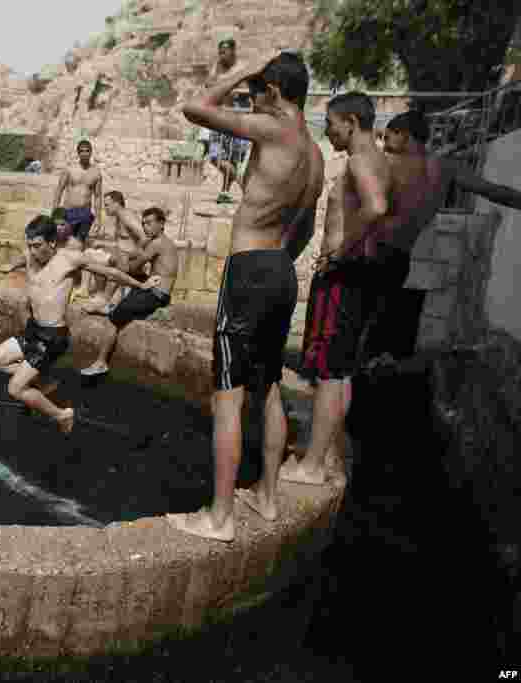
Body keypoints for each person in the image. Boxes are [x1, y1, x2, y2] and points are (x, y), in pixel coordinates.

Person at [172, 51, 324, 541]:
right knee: (270, 387)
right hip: (282, 271)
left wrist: (242, 71)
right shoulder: (315, 153)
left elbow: (195, 108)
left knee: (228, 397)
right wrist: (275, 258)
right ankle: (268, 496)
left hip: (250, 273)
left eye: (256, 92)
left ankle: (219, 518)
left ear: (274, 93)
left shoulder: (274, 128)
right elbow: (304, 228)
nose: (251, 100)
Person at [280, 92, 392, 487]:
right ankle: (328, 456)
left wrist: (340, 250)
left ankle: (312, 466)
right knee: (341, 369)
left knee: (328, 369)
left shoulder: (361, 161)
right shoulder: (380, 159)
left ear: (351, 122)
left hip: (343, 276)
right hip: (359, 274)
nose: (326, 131)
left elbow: (375, 207)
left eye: (330, 123)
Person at [362, 110, 521, 363]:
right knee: (398, 343)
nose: (385, 144)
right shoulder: (446, 167)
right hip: (406, 258)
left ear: (404, 136)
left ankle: (352, 388)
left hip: (375, 253)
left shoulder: (389, 164)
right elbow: (493, 191)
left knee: (367, 335)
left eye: (388, 137)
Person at [0, 215, 162, 434]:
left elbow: (111, 272)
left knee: (15, 389)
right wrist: (11, 266)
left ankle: (62, 415)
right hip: (33, 330)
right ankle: (44, 382)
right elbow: (23, 258)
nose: (32, 251)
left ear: (52, 242)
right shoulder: (30, 255)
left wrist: (141, 284)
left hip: (52, 337)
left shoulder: (69, 259)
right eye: (29, 245)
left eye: (37, 246)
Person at [80, 207, 179, 375]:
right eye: (143, 224)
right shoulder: (163, 242)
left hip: (156, 295)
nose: (145, 227)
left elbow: (133, 266)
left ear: (161, 224)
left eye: (149, 223)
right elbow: (136, 258)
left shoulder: (157, 244)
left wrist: (119, 261)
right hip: (157, 290)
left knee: (113, 320)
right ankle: (108, 302)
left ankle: (101, 362)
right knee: (122, 270)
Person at [81, 190, 149, 312]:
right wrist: (102, 243)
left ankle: (102, 298)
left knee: (94, 259)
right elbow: (123, 242)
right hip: (120, 255)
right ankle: (98, 294)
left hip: (128, 261)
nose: (105, 208)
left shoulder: (126, 216)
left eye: (107, 205)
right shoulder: (119, 217)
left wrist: (131, 256)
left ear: (116, 203)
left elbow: (144, 237)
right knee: (90, 254)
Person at [204, 39, 253, 204]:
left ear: (233, 51)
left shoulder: (243, 68)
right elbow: (208, 84)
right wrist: (222, 84)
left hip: (237, 119)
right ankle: (244, 184)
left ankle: (225, 192)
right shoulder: (217, 67)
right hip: (219, 118)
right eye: (220, 52)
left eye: (224, 51)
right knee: (215, 157)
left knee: (233, 160)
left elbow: (248, 91)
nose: (221, 55)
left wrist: (232, 88)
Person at [51, 139, 102, 246]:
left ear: (91, 152)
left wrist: (98, 218)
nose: (84, 153)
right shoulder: (69, 169)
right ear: (78, 153)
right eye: (82, 151)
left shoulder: (96, 172)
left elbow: (97, 196)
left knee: (79, 243)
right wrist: (55, 212)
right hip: (68, 212)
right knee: (62, 242)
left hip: (85, 213)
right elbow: (59, 190)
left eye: (87, 151)